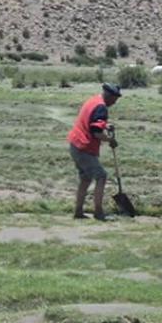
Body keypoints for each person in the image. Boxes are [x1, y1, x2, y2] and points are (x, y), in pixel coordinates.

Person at [67, 83, 122, 221]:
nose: (114, 103)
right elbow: (96, 132)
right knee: (101, 176)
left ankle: (78, 211)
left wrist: (105, 125)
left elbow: (92, 122)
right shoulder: (101, 107)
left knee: (85, 178)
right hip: (83, 147)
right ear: (109, 96)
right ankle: (98, 212)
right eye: (114, 100)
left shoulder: (93, 100)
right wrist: (110, 140)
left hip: (75, 144)